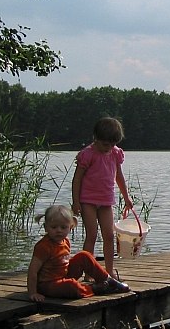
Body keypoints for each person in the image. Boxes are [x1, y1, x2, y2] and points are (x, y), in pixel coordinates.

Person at [27, 205, 130, 302]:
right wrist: (33, 293)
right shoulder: (43, 246)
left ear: (70, 227)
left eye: (63, 227)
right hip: (48, 284)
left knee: (84, 255)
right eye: (54, 227)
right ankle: (94, 289)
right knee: (71, 285)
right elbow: (32, 271)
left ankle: (107, 280)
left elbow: (64, 262)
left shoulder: (65, 241)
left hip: (63, 275)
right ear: (46, 227)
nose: (58, 231)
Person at [72, 117, 133, 280]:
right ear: (96, 138)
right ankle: (88, 272)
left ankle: (109, 270)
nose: (109, 148)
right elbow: (77, 179)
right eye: (105, 144)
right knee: (91, 235)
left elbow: (119, 176)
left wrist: (126, 197)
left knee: (109, 235)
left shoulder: (115, 153)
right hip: (88, 200)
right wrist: (76, 202)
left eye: (112, 144)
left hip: (106, 201)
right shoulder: (87, 154)